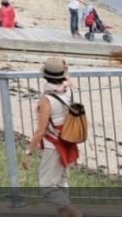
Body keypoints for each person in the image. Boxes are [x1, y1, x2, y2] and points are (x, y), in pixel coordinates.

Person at [22, 55, 81, 216]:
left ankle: (75, 214)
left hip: (54, 144)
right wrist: (64, 67)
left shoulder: (47, 99)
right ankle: (65, 216)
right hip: (68, 139)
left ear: (45, 76)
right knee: (61, 181)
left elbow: (40, 130)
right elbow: (66, 76)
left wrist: (28, 152)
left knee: (46, 186)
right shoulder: (68, 89)